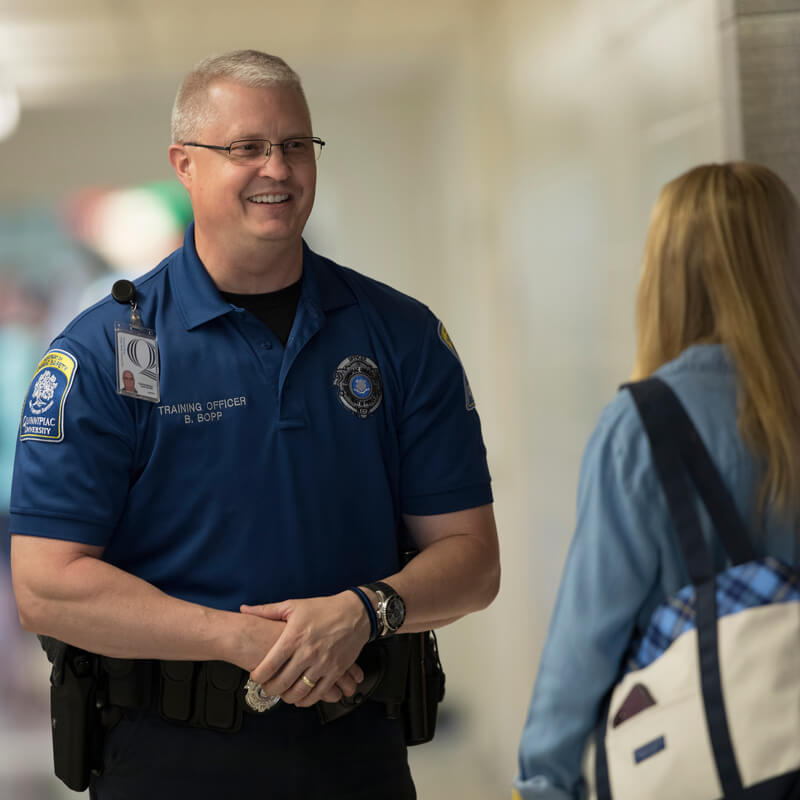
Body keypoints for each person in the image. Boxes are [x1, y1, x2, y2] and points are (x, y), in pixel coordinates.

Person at [10, 50, 500, 800]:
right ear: (185, 164)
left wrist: (364, 612)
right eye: (246, 147)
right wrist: (241, 640)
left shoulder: (398, 336)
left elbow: (471, 559)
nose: (278, 167)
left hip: (357, 755)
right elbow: (46, 587)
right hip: (167, 763)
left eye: (296, 144)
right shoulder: (102, 350)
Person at [513, 162, 800, 799]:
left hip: (711, 763)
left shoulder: (643, 426)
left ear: (665, 277)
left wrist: (540, 785)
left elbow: (584, 646)